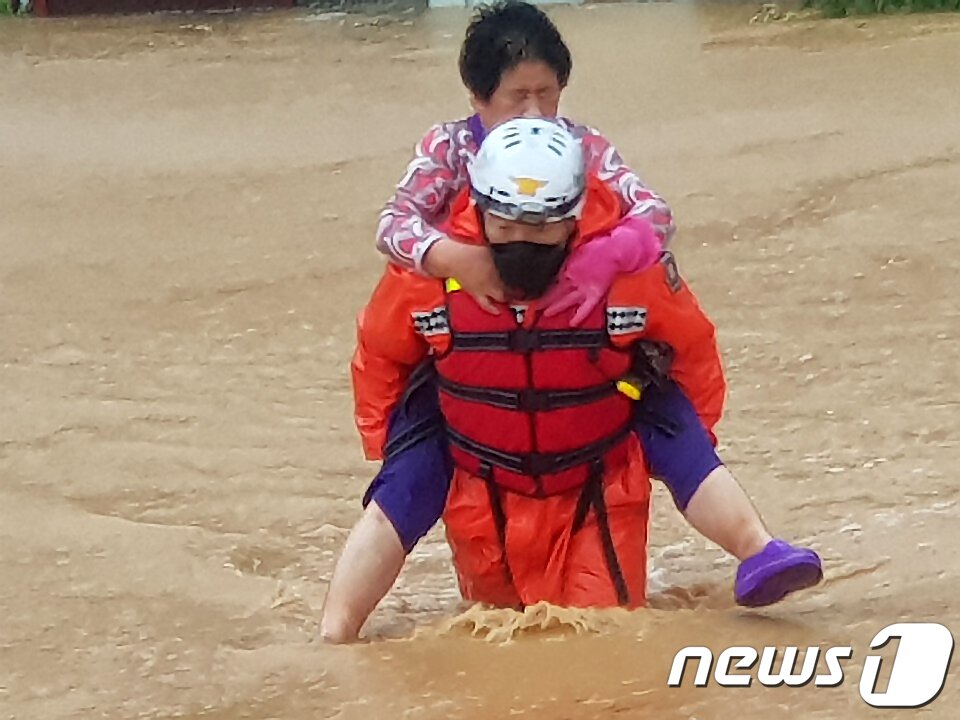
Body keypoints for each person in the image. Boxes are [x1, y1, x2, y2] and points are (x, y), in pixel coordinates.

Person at [319, 4, 822, 641]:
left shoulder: (585, 153)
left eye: (545, 96)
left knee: (665, 415)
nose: (531, 113)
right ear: (478, 97)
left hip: (592, 392)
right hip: (470, 386)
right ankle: (334, 637)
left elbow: (658, 230)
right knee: (405, 481)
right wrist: (460, 261)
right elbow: (391, 240)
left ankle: (759, 548)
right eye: (514, 98)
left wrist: (605, 258)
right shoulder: (446, 152)